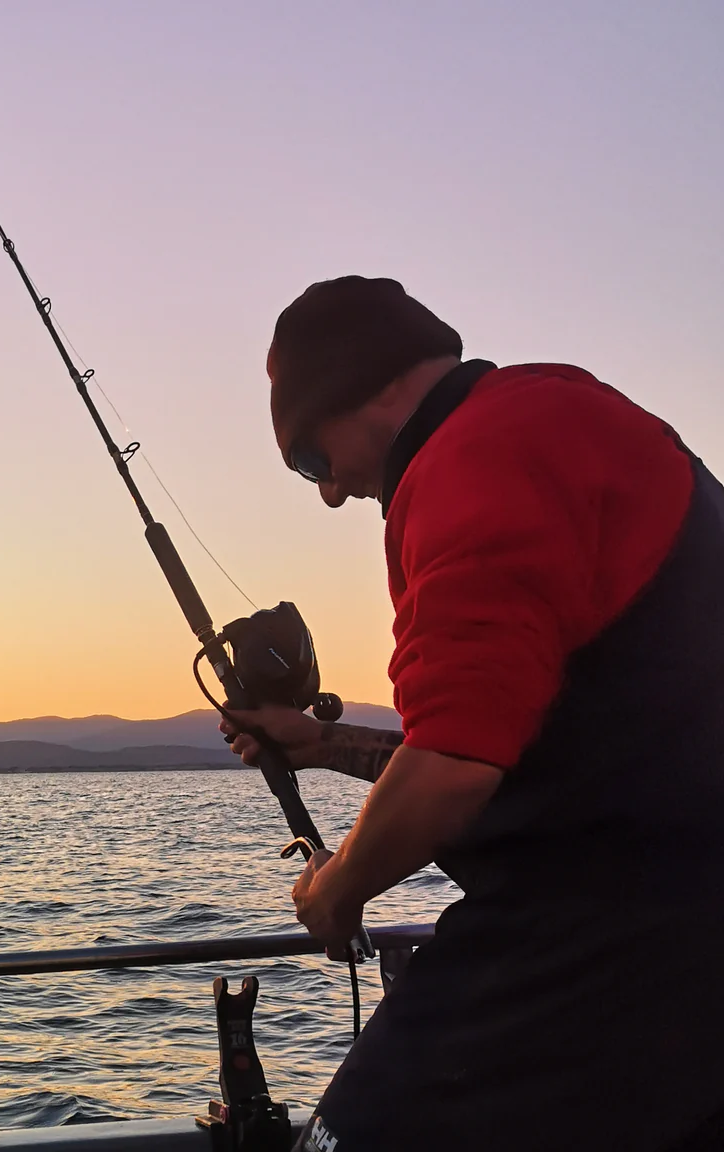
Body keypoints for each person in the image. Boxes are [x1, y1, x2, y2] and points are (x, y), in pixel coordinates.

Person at [219, 276, 724, 1151]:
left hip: (610, 935)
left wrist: (337, 893)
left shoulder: (473, 459)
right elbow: (515, 746)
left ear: (378, 386)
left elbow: (453, 766)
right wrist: (319, 742)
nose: (330, 493)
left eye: (311, 459)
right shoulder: (569, 416)